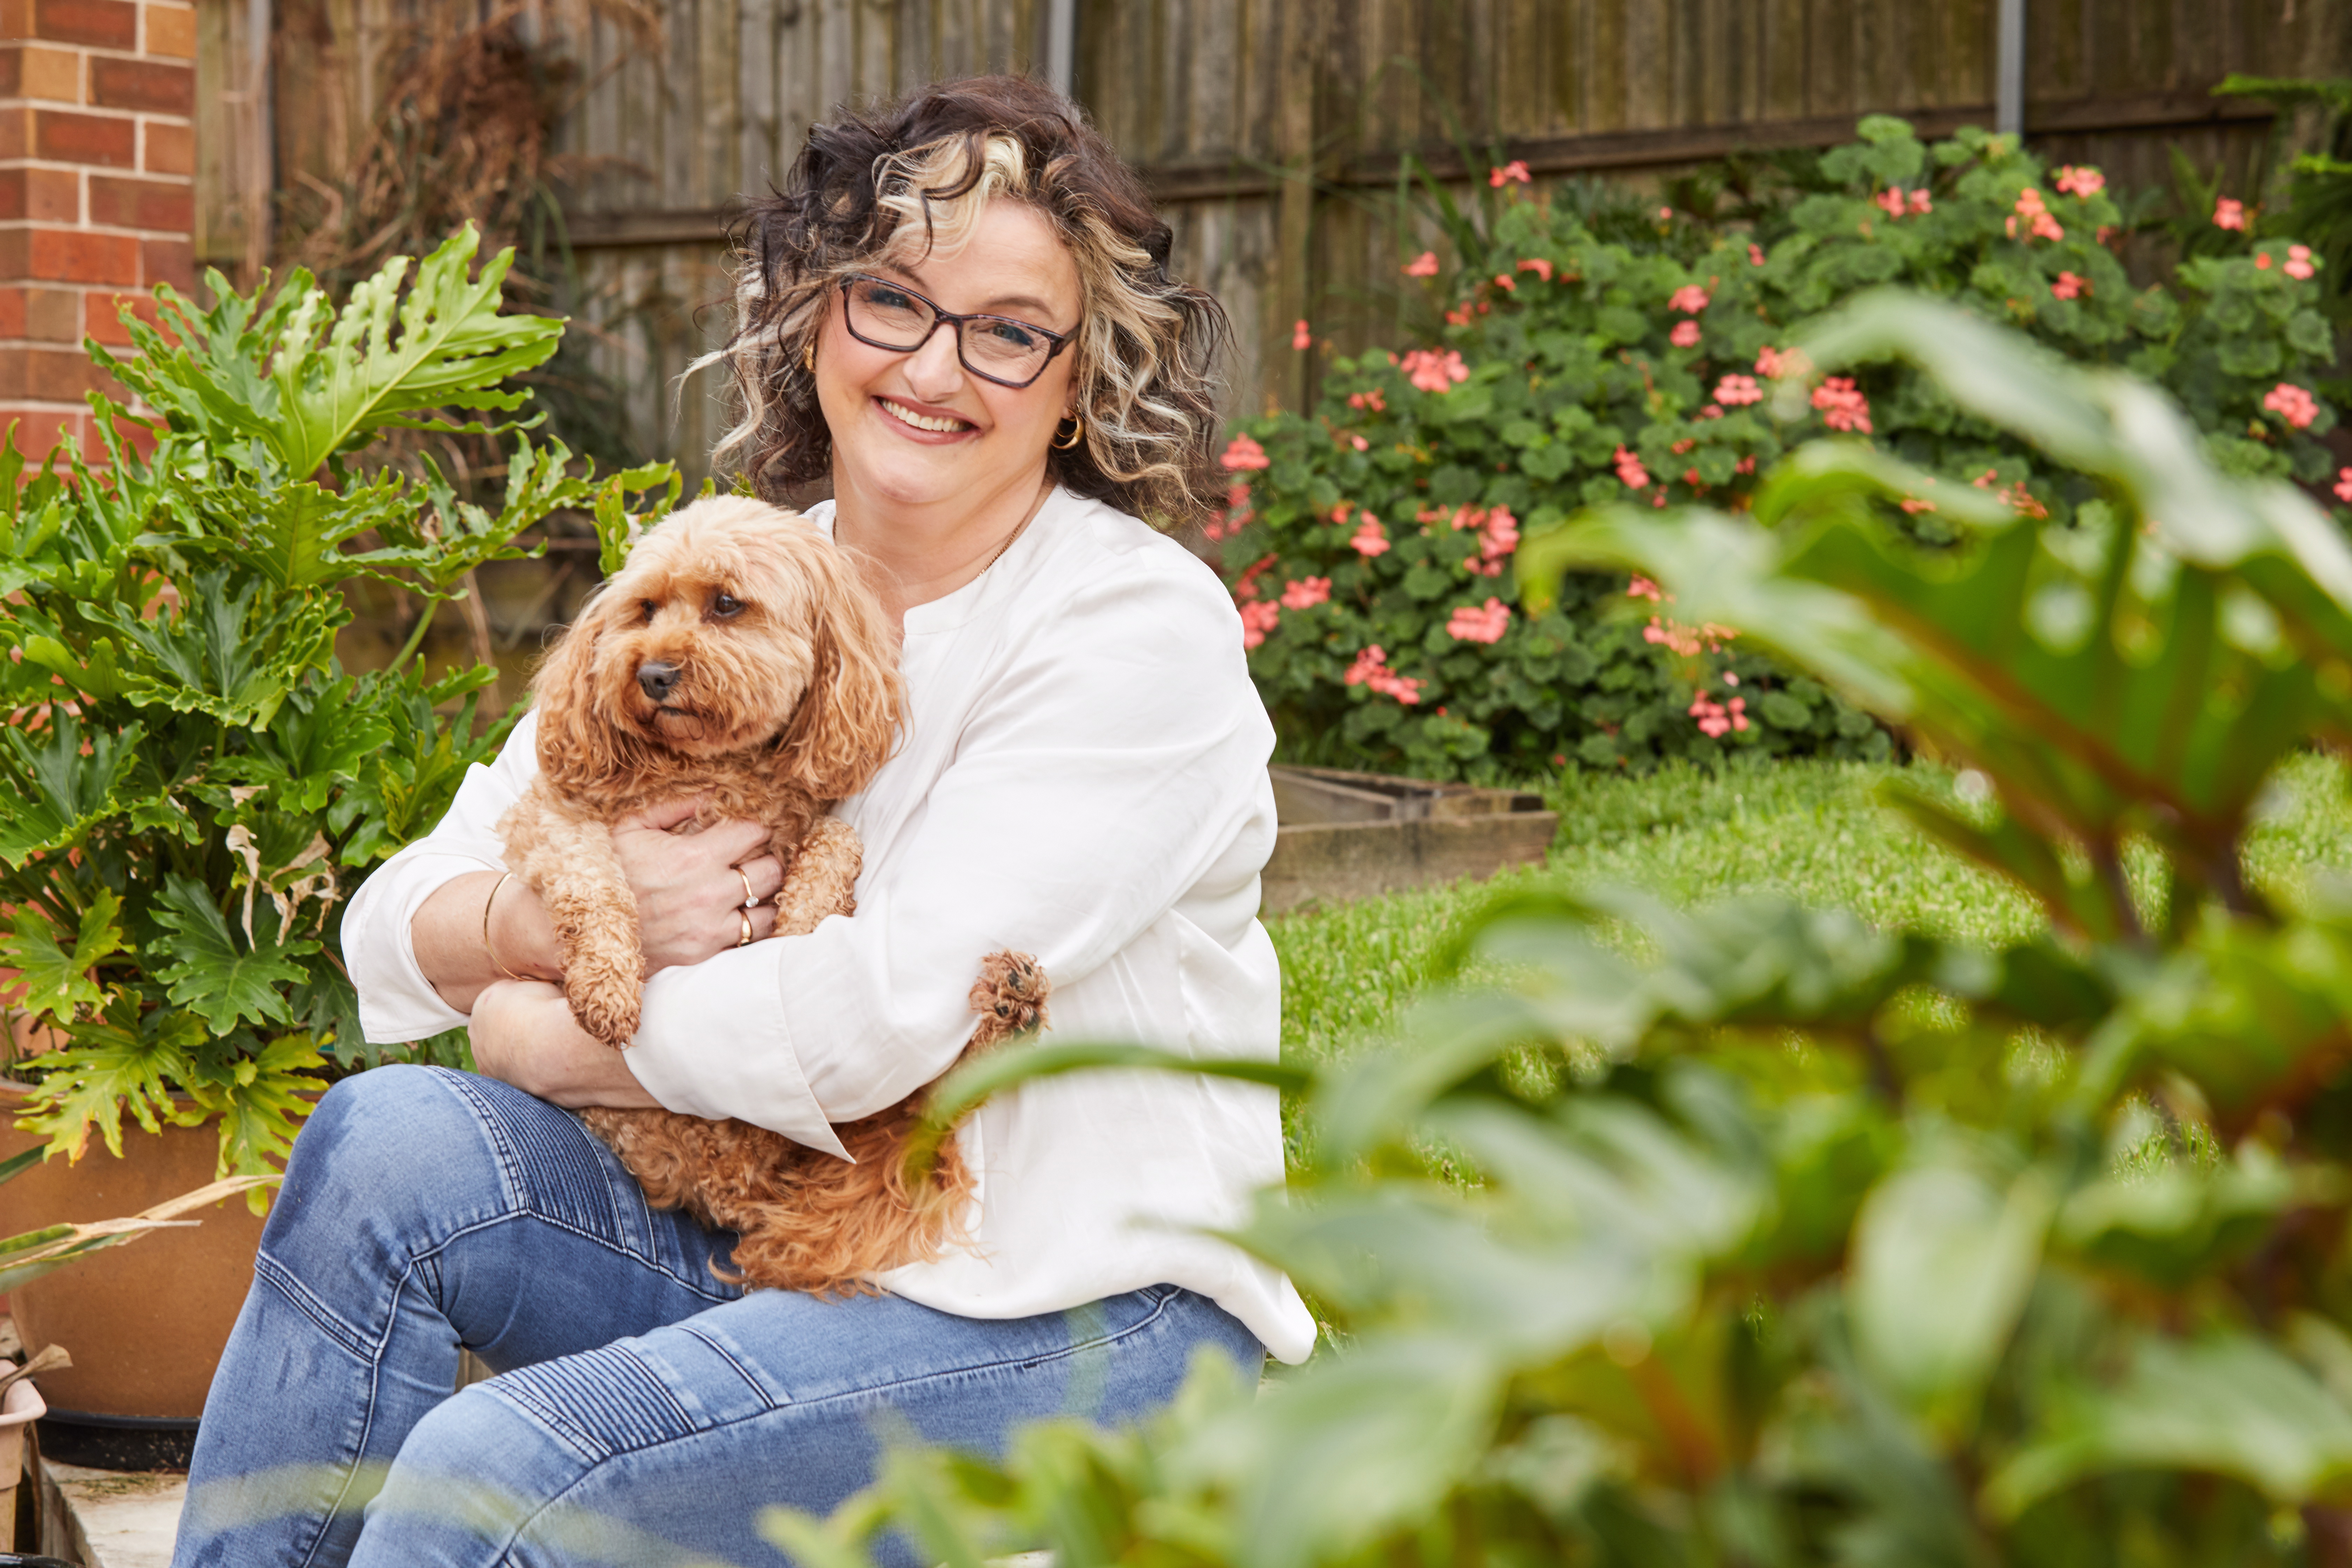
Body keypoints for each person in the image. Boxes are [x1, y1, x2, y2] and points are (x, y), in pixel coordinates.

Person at [172, 75, 1313, 1568]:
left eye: (1010, 328)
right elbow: (395, 922)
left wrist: (533, 1030)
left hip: (1085, 1319)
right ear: (815, 320)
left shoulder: (1132, 628)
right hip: (773, 1251)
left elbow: (868, 1029)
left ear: (1080, 376)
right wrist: (528, 928)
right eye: (894, 300)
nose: (937, 364)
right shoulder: (728, 585)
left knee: (499, 1463)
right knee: (383, 1139)